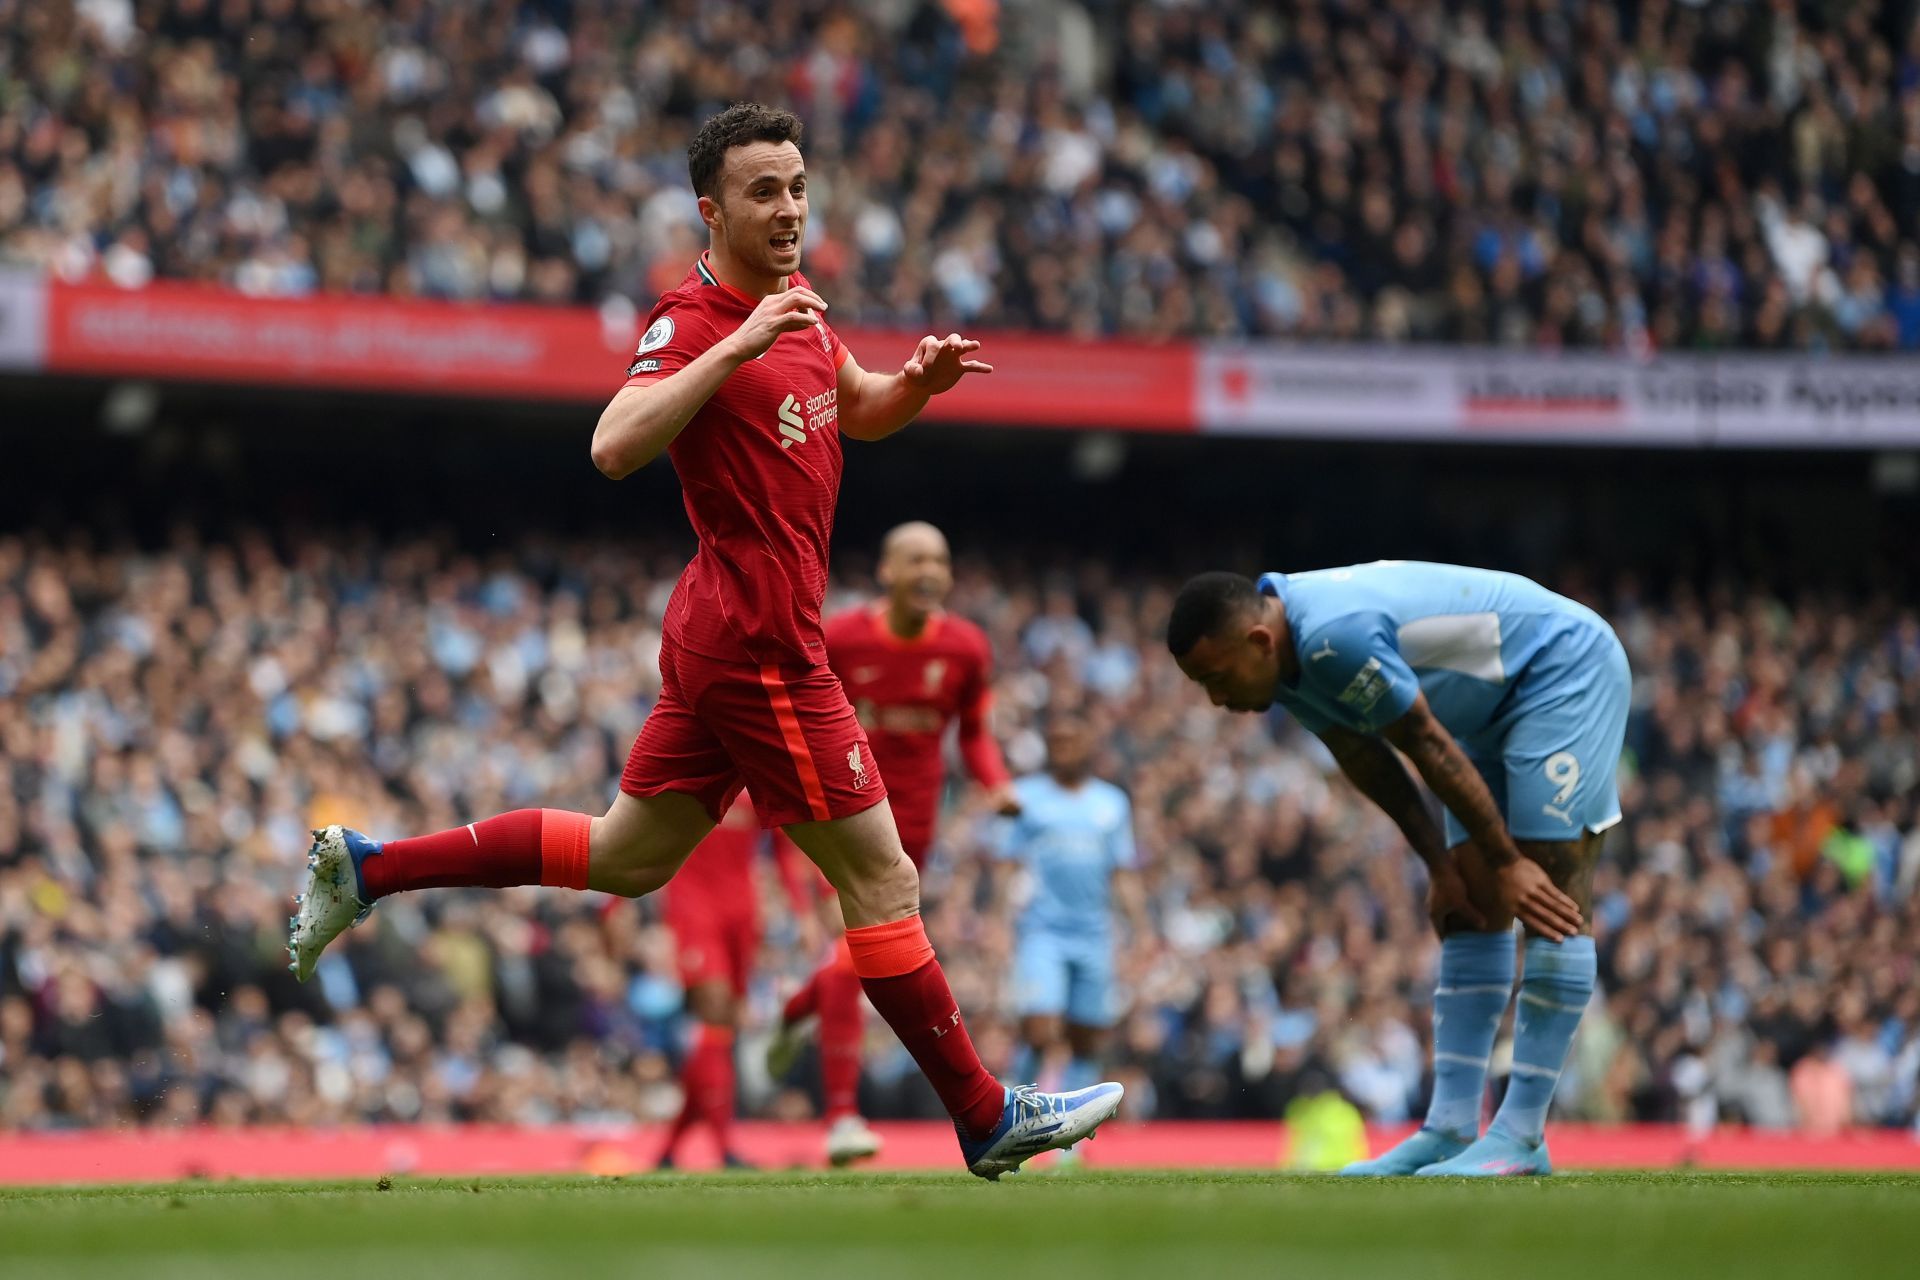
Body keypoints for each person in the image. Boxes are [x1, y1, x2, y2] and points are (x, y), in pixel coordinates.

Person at [288, 102, 1122, 1179]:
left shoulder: (802, 309)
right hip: (762, 646)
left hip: (726, 635)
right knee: (884, 877)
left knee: (625, 855)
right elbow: (612, 444)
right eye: (764, 191)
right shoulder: (692, 319)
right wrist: (735, 344)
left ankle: (371, 867)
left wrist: (914, 384)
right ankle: (982, 1110)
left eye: (798, 186)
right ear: (710, 208)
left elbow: (851, 405)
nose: (788, 208)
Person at [1167, 561, 1628, 1177]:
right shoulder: (1286, 661)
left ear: (1258, 642)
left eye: (1217, 678)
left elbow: (1424, 744)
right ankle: (1450, 1129)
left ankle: (1521, 1135)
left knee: (1548, 887)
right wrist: (1440, 865)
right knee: (1470, 905)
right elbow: (1365, 756)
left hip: (1560, 671)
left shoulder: (1335, 636)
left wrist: (1507, 862)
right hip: (1484, 715)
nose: (1217, 699)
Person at [766, 521, 1020, 1167]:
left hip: (913, 831)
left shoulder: (965, 648)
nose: (929, 570)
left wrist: (996, 784)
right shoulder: (843, 637)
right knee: (854, 957)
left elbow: (975, 734)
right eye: (915, 559)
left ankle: (797, 1013)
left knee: (852, 957)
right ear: (887, 571)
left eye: (939, 559)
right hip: (836, 816)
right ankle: (844, 1117)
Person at [996, 714, 1146, 1099]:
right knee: (1040, 1028)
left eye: (1071, 741)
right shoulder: (1025, 796)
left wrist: (1141, 928)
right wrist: (1000, 918)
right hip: (1043, 929)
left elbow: (1122, 871)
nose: (1062, 749)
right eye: (1056, 741)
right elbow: (1007, 864)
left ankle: (1074, 1138)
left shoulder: (1111, 803)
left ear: (1088, 745)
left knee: (1086, 1038)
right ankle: (1014, 1108)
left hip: (1094, 933)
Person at [656, 794, 765, 1170]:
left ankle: (669, 1151)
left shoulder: (758, 783)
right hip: (695, 906)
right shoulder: (688, 776)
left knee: (722, 1029)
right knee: (714, 1013)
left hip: (743, 912)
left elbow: (785, 847)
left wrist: (801, 910)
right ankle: (724, 1148)